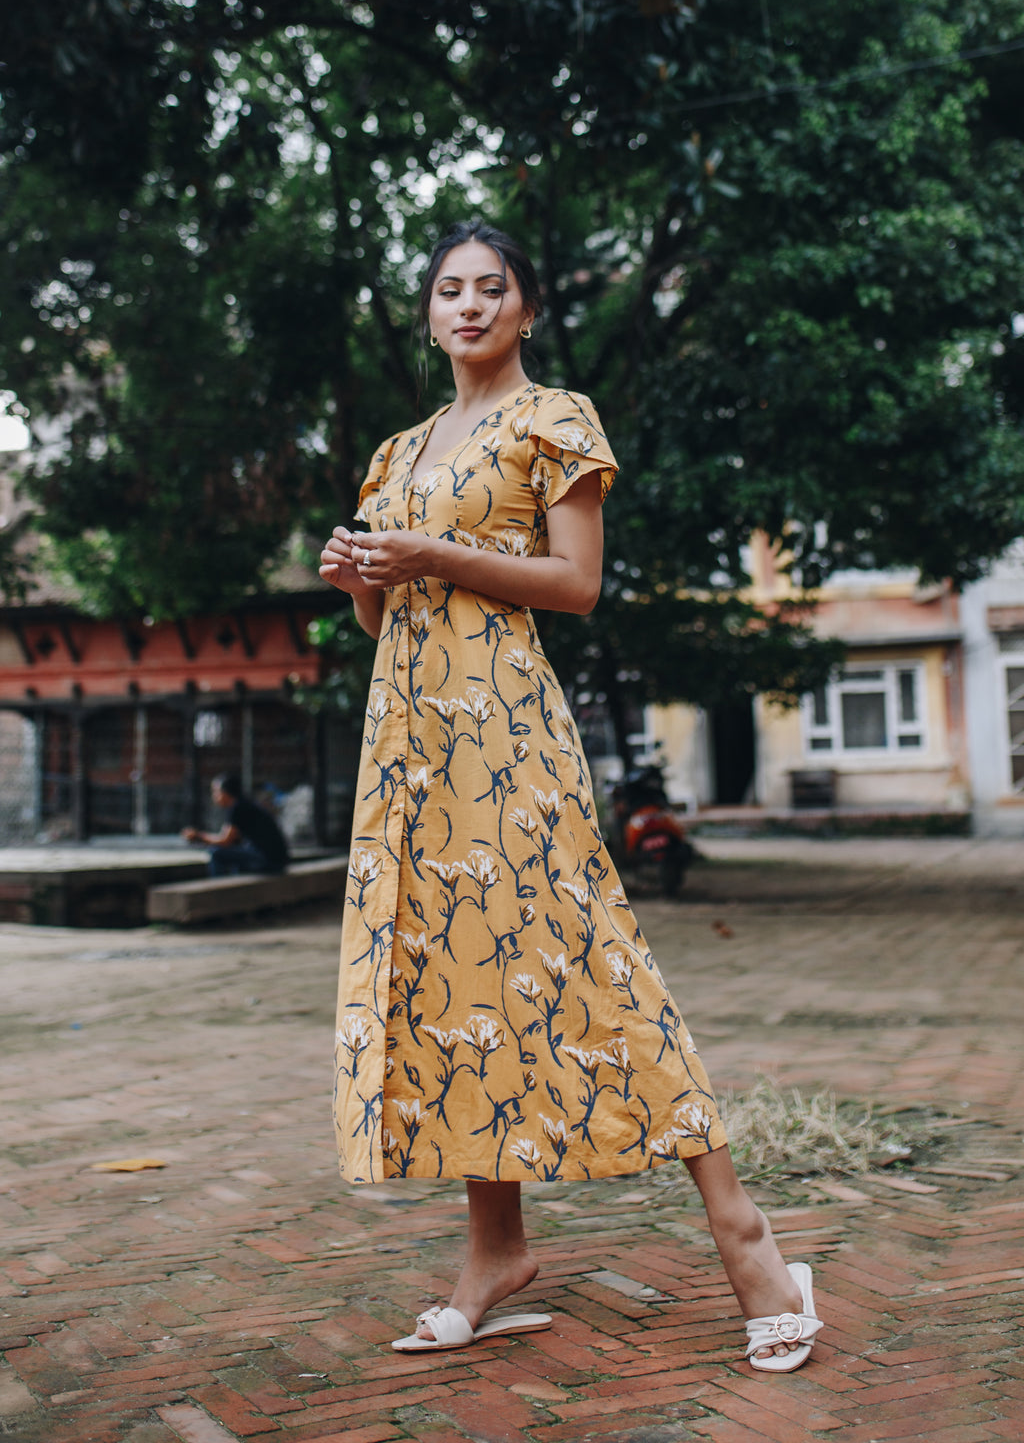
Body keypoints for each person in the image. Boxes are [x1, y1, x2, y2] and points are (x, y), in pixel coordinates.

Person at [318, 221, 822, 1373]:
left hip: (504, 735)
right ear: (429, 312)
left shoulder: (554, 419)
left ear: (527, 310)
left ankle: (747, 1241)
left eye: (491, 288)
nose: (468, 306)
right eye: (448, 290)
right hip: (406, 747)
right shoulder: (397, 453)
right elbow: (379, 617)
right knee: (447, 980)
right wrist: (362, 576)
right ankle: (492, 1250)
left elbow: (576, 584)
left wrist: (431, 556)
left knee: (592, 961)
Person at [182, 773, 289, 878]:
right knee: (236, 856)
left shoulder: (237, 807)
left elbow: (225, 841)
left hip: (269, 861)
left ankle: (218, 889)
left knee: (216, 854)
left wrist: (197, 836)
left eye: (216, 792)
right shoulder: (244, 804)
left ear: (226, 793)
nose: (214, 796)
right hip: (276, 860)